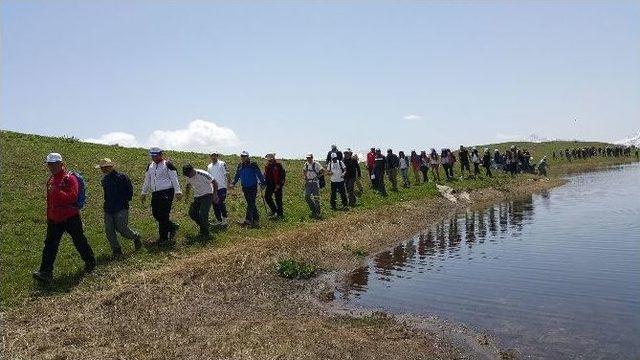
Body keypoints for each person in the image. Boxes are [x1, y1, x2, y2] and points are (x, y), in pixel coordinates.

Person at [33, 153, 96, 283]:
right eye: (49, 164)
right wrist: (49, 216)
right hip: (54, 219)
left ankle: (90, 262)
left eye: (54, 164)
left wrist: (57, 191)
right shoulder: (51, 180)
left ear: (61, 164)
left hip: (70, 217)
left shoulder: (70, 178)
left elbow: (72, 197)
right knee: (50, 245)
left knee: (79, 241)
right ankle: (45, 272)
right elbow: (49, 201)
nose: (51, 167)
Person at [96, 158, 141, 258]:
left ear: (110, 167)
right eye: (101, 168)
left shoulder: (122, 177)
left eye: (104, 167)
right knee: (109, 230)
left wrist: (124, 202)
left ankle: (136, 236)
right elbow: (106, 195)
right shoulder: (104, 180)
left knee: (122, 229)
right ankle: (116, 250)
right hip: (108, 208)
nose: (102, 169)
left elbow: (129, 191)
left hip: (121, 208)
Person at [141, 147, 182, 245]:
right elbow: (147, 180)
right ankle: (172, 227)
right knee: (156, 214)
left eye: (156, 156)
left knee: (164, 215)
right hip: (155, 193)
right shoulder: (150, 166)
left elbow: (174, 178)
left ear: (160, 154)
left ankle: (163, 238)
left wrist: (178, 191)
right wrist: (144, 192)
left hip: (167, 191)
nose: (154, 158)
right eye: (152, 156)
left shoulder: (167, 164)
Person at [231, 151, 265, 228]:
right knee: (251, 203)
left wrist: (263, 183)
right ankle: (256, 220)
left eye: (245, 156)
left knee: (250, 203)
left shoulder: (253, 164)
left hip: (253, 187)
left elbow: (259, 173)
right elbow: (237, 175)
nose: (243, 157)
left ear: (248, 157)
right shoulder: (240, 165)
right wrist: (233, 183)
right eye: (242, 156)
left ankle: (248, 220)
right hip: (245, 187)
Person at [183, 164, 218, 238]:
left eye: (189, 175)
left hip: (208, 195)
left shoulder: (202, 174)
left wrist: (215, 195)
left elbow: (215, 182)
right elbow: (188, 185)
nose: (189, 177)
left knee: (203, 214)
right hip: (198, 196)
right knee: (192, 213)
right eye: (187, 175)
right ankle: (204, 226)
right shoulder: (187, 175)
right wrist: (186, 196)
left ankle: (206, 234)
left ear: (192, 170)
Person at [207, 152, 230, 226]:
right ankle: (218, 220)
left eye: (215, 155)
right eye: (212, 156)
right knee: (215, 205)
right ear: (210, 156)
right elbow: (208, 177)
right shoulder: (209, 166)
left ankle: (225, 219)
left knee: (220, 203)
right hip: (213, 189)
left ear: (217, 156)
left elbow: (227, 174)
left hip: (221, 187)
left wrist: (229, 184)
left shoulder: (222, 164)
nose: (213, 157)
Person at [264, 153, 286, 219]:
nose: (269, 161)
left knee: (278, 200)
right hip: (269, 184)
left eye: (270, 160)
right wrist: (263, 183)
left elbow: (282, 176)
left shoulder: (278, 165)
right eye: (268, 160)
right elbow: (266, 175)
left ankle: (280, 215)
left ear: (273, 159)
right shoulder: (267, 165)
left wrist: (279, 185)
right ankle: (274, 210)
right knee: (267, 197)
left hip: (277, 185)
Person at [303, 153, 324, 219]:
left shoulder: (316, 164)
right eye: (307, 158)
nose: (308, 159)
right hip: (308, 182)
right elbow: (304, 170)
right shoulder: (306, 164)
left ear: (312, 157)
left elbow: (322, 171)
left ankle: (318, 212)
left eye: (309, 158)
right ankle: (313, 208)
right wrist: (305, 177)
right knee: (307, 196)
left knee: (316, 198)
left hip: (315, 183)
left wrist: (317, 177)